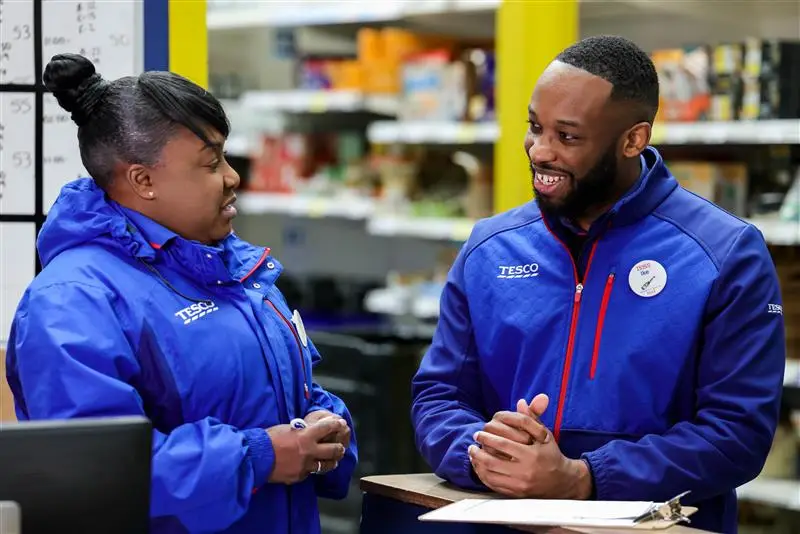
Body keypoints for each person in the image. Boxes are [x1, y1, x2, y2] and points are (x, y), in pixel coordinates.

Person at [411, 35, 785, 534]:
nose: (540, 152)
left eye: (567, 137)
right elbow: (438, 396)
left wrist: (584, 477)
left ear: (633, 140)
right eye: (534, 127)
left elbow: (736, 434)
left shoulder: (724, 254)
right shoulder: (490, 248)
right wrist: (485, 453)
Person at [5, 53, 357, 534]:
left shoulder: (233, 269)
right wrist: (258, 457)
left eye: (226, 156)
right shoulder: (73, 302)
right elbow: (97, 473)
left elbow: (280, 395)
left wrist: (326, 425)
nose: (233, 177)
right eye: (211, 162)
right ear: (142, 180)